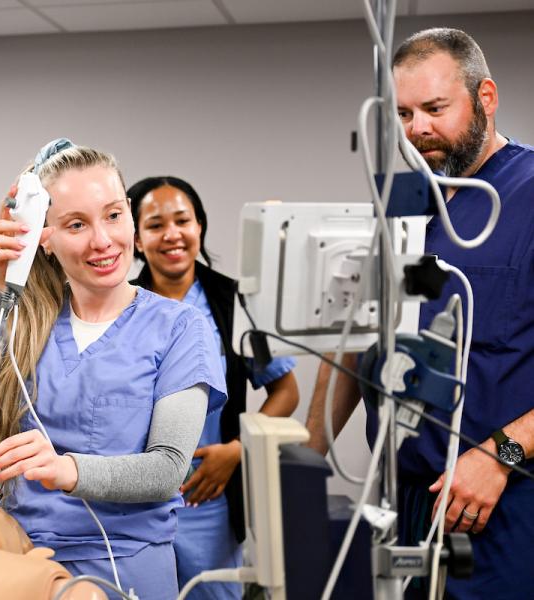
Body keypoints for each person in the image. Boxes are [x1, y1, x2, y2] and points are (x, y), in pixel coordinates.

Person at [0, 140, 227, 600]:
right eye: (76, 224)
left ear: (129, 215)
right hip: (23, 560)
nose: (102, 240)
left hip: (126, 565)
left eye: (113, 215)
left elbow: (168, 468)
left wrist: (65, 468)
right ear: (42, 238)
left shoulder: (179, 327)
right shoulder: (27, 319)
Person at [304, 28, 534, 599]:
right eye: (403, 113)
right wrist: (301, 466)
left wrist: (500, 456)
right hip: (406, 500)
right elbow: (356, 337)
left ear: (485, 98)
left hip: (502, 502)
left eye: (435, 108)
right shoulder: (402, 204)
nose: (417, 129)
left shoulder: (528, 195)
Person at [128, 176, 299, 599]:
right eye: (154, 224)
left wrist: (236, 450)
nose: (172, 234)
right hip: (135, 500)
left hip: (208, 497)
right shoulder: (121, 307)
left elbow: (286, 391)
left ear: (199, 227)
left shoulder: (235, 301)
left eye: (182, 220)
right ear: (134, 239)